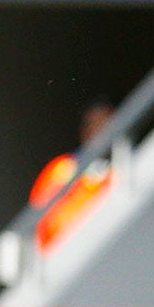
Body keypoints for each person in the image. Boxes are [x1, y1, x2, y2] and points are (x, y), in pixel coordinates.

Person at [28, 101, 114, 252]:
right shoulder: (62, 168)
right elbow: (40, 218)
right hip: (62, 251)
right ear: (85, 130)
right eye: (97, 125)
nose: (104, 131)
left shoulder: (120, 171)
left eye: (109, 124)